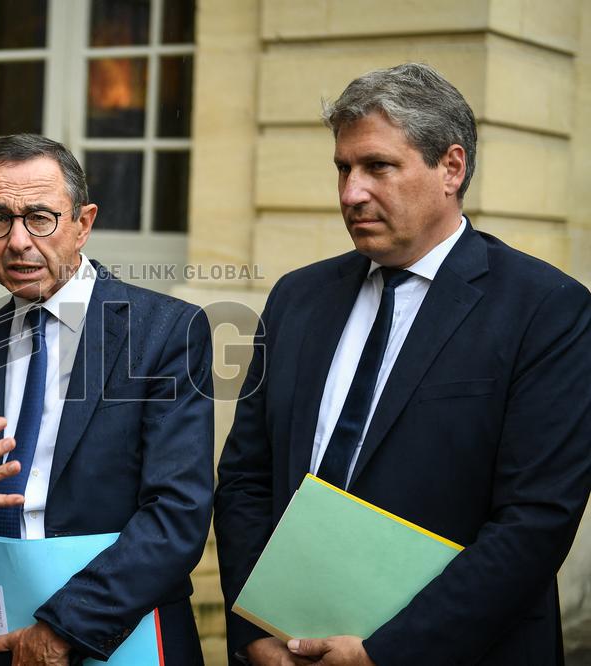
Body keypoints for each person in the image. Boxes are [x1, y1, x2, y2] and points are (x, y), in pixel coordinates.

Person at [214, 62, 591, 666]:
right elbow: (245, 479)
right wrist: (253, 630)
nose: (350, 193)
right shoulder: (296, 298)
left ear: (452, 167)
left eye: (377, 167)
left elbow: (535, 521)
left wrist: (385, 654)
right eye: (343, 168)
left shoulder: (546, 308)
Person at [0, 134, 214, 665]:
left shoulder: (166, 332)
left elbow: (176, 518)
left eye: (41, 218)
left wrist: (60, 630)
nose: (18, 241)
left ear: (83, 224)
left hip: (115, 635)